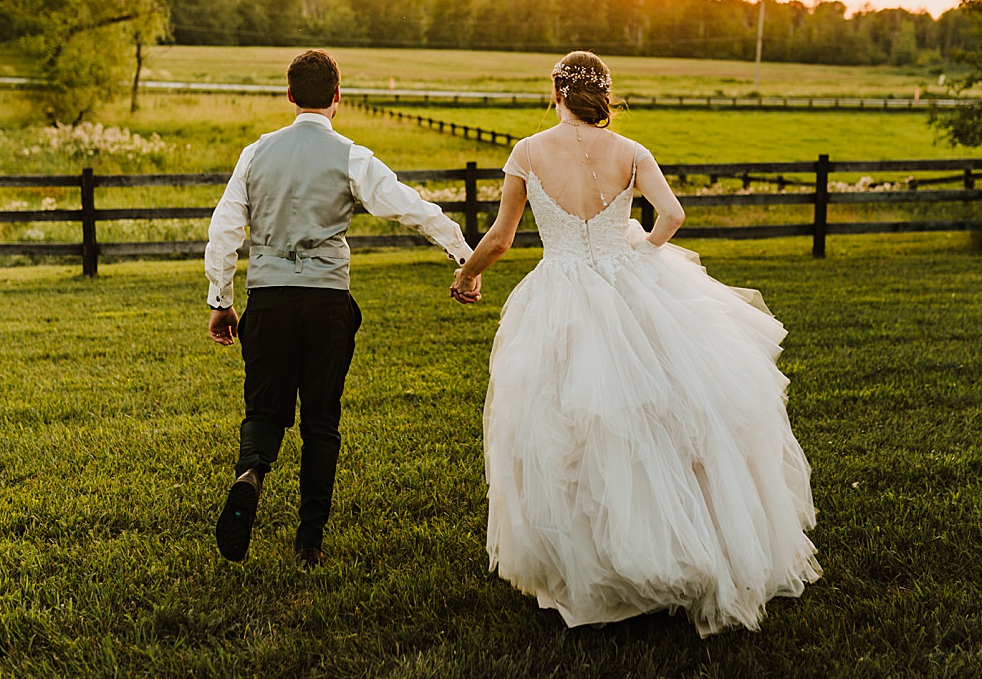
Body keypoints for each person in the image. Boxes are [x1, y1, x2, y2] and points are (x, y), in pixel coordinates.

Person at [449, 52, 820, 635]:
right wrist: (642, 252)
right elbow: (671, 214)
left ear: (556, 92)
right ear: (601, 95)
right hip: (629, 284)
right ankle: (682, 542)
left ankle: (592, 562)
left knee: (569, 422)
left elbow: (499, 239)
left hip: (562, 292)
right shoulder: (630, 150)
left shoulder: (527, 151)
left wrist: (467, 274)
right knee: (665, 416)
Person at [203, 47, 475, 567]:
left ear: (288, 95)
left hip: (268, 300)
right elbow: (412, 208)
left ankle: (251, 475)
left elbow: (224, 232)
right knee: (321, 421)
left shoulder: (256, 153)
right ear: (337, 97)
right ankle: (309, 541)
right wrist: (464, 257)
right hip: (327, 303)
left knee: (263, 409)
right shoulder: (352, 155)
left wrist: (221, 300)